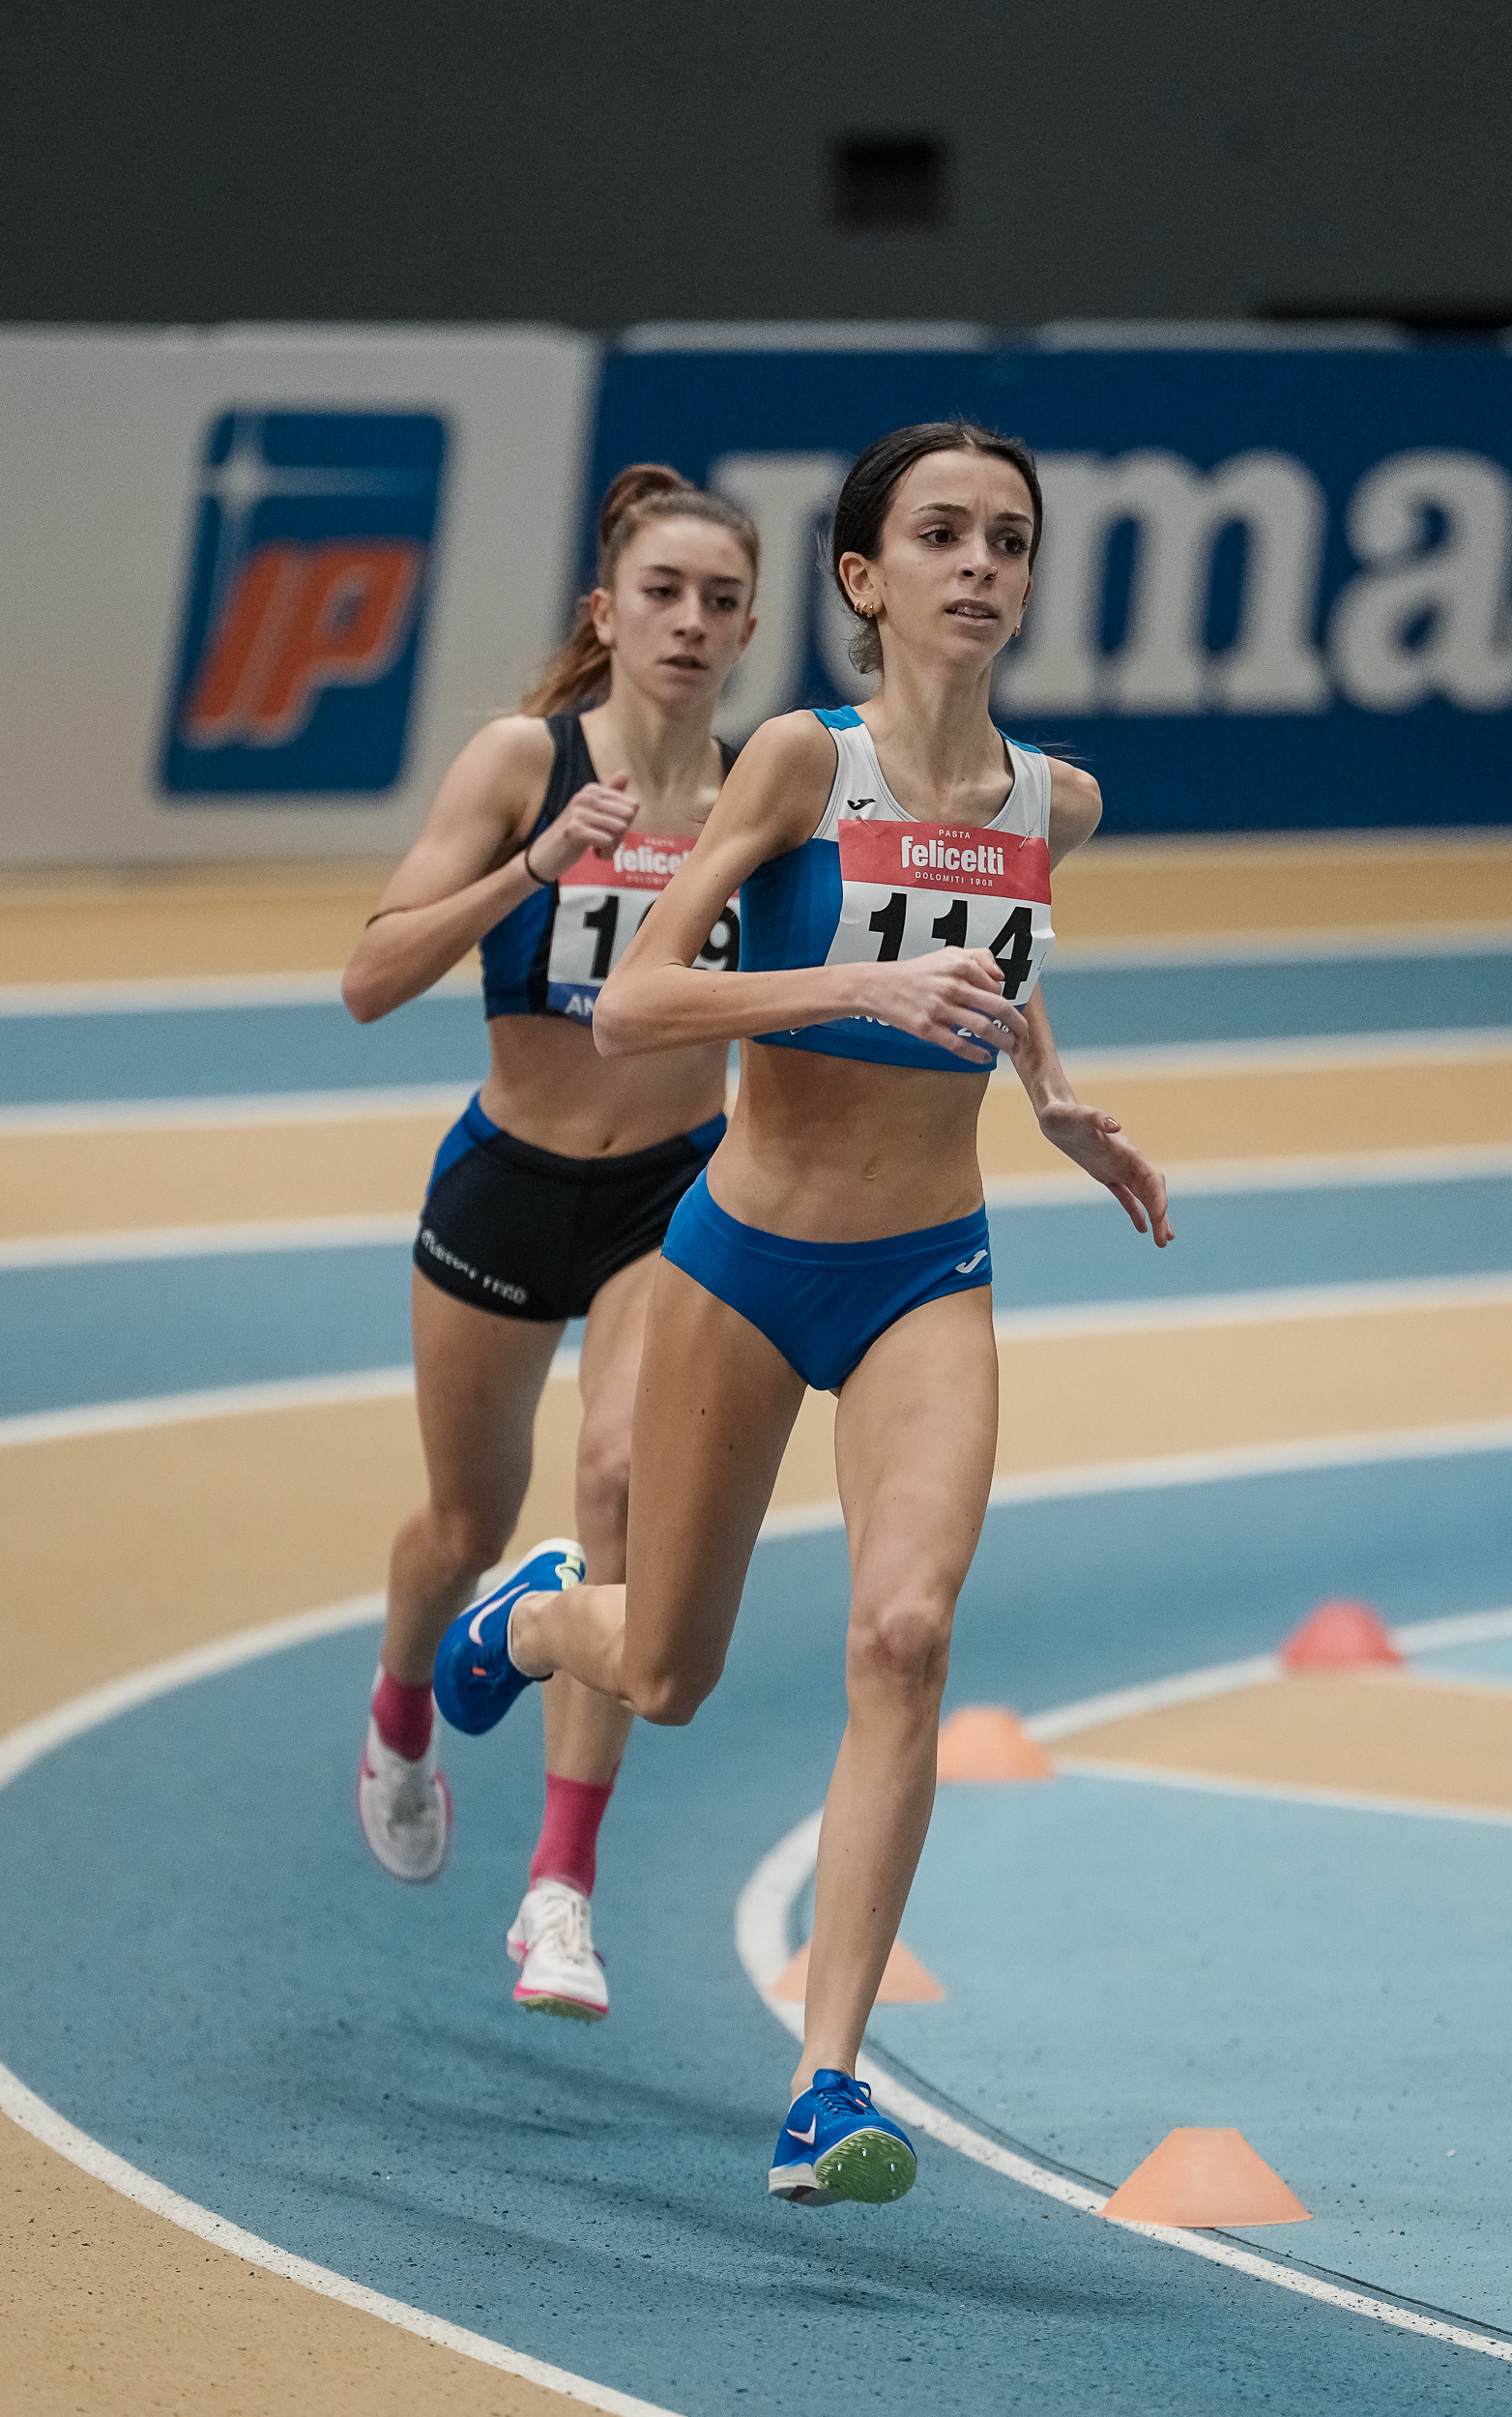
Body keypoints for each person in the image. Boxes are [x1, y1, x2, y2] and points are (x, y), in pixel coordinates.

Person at [434, 421, 1173, 2203]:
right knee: (668, 1673)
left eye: (1010, 539)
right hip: (745, 1264)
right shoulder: (796, 763)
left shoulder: (1055, 803)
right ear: (864, 577)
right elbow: (639, 1003)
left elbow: (997, 953)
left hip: (929, 1269)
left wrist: (1055, 1095)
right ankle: (538, 1614)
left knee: (905, 1636)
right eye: (943, 535)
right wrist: (853, 985)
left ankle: (826, 2086)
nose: (981, 565)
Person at [340, 463, 759, 2025]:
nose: (691, 622)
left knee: (622, 1487)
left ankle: (559, 1890)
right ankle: (402, 1711)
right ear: (607, 610)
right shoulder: (527, 760)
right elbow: (368, 979)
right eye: (665, 592)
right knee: (465, 1523)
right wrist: (535, 864)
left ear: (751, 630)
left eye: (722, 601)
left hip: (672, 1193)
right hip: (509, 1184)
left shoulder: (765, 794)